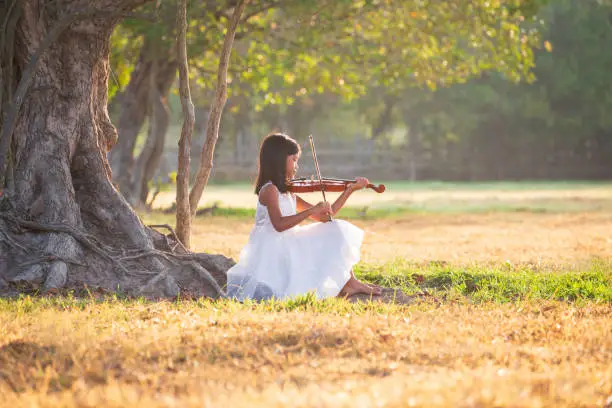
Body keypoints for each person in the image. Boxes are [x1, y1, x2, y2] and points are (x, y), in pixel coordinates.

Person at [226, 133, 382, 301]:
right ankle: (349, 284)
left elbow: (326, 217)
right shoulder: (270, 190)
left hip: (290, 239)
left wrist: (349, 190)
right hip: (274, 247)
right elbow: (279, 225)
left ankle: (350, 282)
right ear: (279, 160)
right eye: (294, 160)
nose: (296, 166)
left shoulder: (289, 192)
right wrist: (310, 211)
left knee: (335, 228)